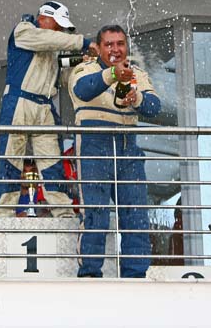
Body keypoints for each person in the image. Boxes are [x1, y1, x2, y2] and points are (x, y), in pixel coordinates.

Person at [68, 24, 161, 278]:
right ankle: (90, 275)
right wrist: (112, 74)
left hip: (128, 147)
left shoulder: (136, 73)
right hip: (93, 145)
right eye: (109, 44)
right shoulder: (84, 68)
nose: (115, 49)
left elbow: (155, 107)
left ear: (126, 46)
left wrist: (136, 99)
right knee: (95, 213)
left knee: (136, 215)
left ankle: (135, 276)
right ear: (98, 47)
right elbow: (82, 89)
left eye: (120, 43)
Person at [0, 1, 98, 205]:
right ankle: (3, 215)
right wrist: (84, 43)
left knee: (53, 165)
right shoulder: (24, 30)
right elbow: (49, 39)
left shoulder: (53, 48)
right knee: (10, 163)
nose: (60, 30)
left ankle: (63, 213)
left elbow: (62, 75)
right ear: (43, 18)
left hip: (45, 107)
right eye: (58, 24)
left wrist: (85, 64)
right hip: (19, 103)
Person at [0, 159, 75, 218]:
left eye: (32, 171)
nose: (27, 175)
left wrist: (37, 216)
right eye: (24, 171)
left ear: (38, 174)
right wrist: (18, 218)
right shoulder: (11, 196)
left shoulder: (47, 195)